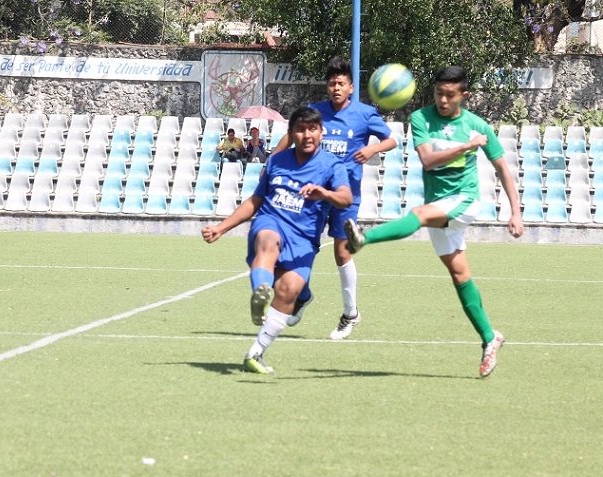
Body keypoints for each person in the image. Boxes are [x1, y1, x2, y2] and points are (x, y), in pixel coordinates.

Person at [343, 65, 524, 377]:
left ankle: (363, 238)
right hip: (438, 202)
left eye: (450, 95)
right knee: (460, 275)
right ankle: (489, 337)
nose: (443, 100)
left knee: (418, 215)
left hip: (464, 200)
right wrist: (466, 146)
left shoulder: (477, 125)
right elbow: (427, 159)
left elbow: (502, 169)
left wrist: (516, 212)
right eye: (439, 93)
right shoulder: (421, 119)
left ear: (464, 95)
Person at [202, 107, 353, 374]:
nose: (307, 135)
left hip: (304, 238)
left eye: (312, 129)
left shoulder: (332, 165)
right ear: (291, 133)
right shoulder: (276, 161)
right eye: (300, 130)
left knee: (288, 290)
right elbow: (255, 201)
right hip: (272, 220)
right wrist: (221, 228)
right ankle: (260, 292)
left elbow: (346, 198)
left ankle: (255, 354)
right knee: (267, 242)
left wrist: (324, 194)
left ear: (321, 132)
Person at [273, 57, 397, 341]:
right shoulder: (316, 112)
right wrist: (272, 162)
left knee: (341, 253)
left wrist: (372, 149)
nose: (336, 88)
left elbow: (391, 140)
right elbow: (291, 136)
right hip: (313, 193)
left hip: (344, 195)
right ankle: (302, 296)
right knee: (301, 247)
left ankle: (350, 314)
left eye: (341, 83)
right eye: (332, 84)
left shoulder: (365, 114)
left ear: (351, 87)